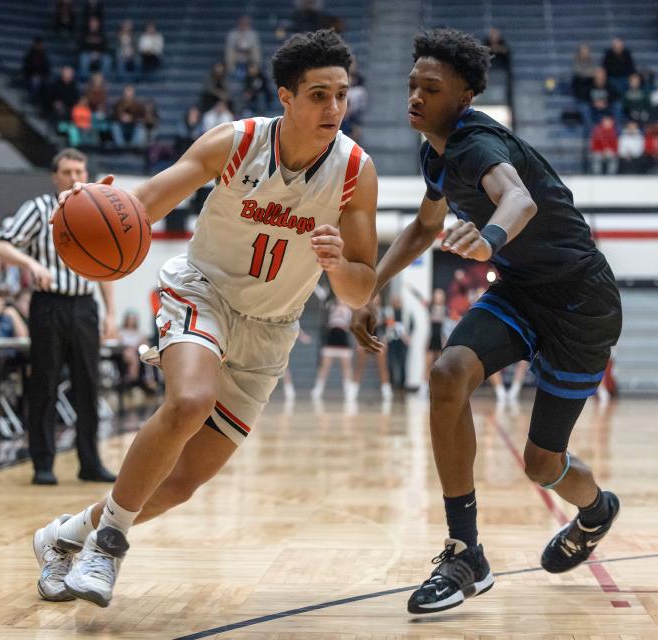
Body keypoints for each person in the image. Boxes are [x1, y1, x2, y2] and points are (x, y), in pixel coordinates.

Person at [31, 29, 378, 608]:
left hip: (272, 328)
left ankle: (67, 535)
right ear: (285, 97)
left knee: (183, 482)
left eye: (342, 95)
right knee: (189, 401)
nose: (334, 108)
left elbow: (362, 284)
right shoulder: (235, 143)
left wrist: (340, 266)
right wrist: (93, 208)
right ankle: (107, 547)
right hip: (203, 293)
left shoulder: (354, 171)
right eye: (319, 95)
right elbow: (145, 205)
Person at [350, 28, 622, 615]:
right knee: (447, 374)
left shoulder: (476, 143)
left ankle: (596, 510)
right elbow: (424, 227)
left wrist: (489, 237)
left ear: (464, 99)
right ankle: (465, 551)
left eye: (431, 88)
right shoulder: (435, 152)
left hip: (581, 304)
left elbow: (518, 200)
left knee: (542, 465)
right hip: (522, 292)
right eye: (412, 85)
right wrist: (372, 285)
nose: (415, 97)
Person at [0, 148, 117, 486]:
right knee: (44, 384)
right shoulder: (38, 209)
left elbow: (107, 266)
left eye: (80, 170)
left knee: (89, 386)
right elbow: (0, 244)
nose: (75, 177)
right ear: (55, 176)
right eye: (67, 172)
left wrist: (111, 313)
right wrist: (31, 264)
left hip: (84, 307)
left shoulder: (98, 211)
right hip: (48, 304)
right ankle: (43, 463)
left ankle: (90, 462)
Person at [310, 295, 355, 401]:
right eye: (339, 298)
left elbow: (352, 325)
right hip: (331, 338)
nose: (341, 299)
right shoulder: (331, 308)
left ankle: (348, 389)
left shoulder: (349, 310)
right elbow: (325, 317)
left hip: (343, 339)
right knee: (324, 366)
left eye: (343, 298)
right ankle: (318, 389)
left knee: (346, 367)